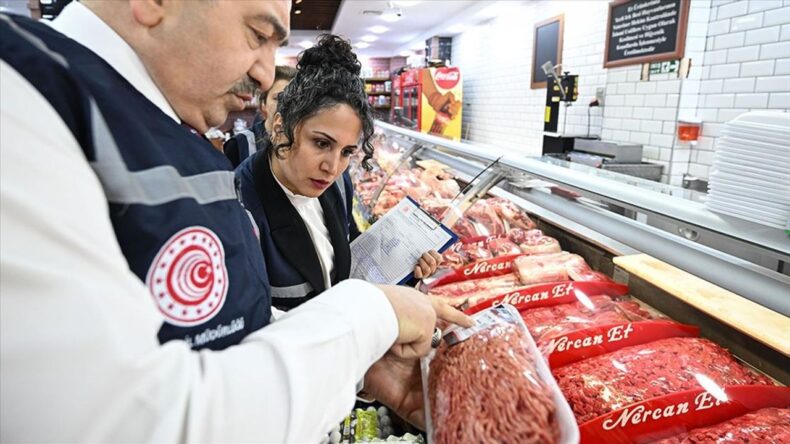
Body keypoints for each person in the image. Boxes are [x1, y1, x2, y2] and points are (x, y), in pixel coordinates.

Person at [0, 1, 470, 442]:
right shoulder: (20, 102)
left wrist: (360, 365)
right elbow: (125, 421)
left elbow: (210, 329)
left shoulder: (158, 128)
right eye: (257, 33)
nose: (266, 74)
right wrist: (370, 315)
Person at [237, 34, 443, 310]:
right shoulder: (240, 207)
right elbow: (249, 326)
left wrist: (404, 269)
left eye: (347, 152)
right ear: (279, 127)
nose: (332, 168)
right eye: (321, 143)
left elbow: (349, 265)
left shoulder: (337, 185)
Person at [224, 65, 296, 168]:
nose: (286, 104)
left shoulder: (305, 144)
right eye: (278, 98)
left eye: (294, 99)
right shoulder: (240, 145)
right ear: (263, 104)